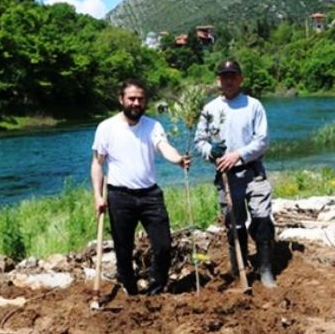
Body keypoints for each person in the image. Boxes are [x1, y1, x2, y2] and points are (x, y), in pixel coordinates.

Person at [90, 79, 191, 296]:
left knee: (163, 245)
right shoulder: (106, 127)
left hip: (150, 195)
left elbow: (164, 147)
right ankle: (131, 291)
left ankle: (155, 290)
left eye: (140, 99)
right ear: (121, 99)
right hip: (119, 195)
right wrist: (98, 196)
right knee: (123, 250)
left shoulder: (153, 126)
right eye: (132, 98)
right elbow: (97, 164)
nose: (136, 103)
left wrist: (178, 160)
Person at [194, 60, 277, 289]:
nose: (228, 80)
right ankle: (237, 269)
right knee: (234, 224)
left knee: (262, 219)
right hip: (226, 177)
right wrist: (212, 152)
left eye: (233, 75)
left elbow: (262, 140)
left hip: (253, 171)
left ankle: (265, 269)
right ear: (218, 80)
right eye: (224, 76)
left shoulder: (253, 105)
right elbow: (199, 141)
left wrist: (238, 155)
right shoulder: (209, 109)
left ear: (240, 78)